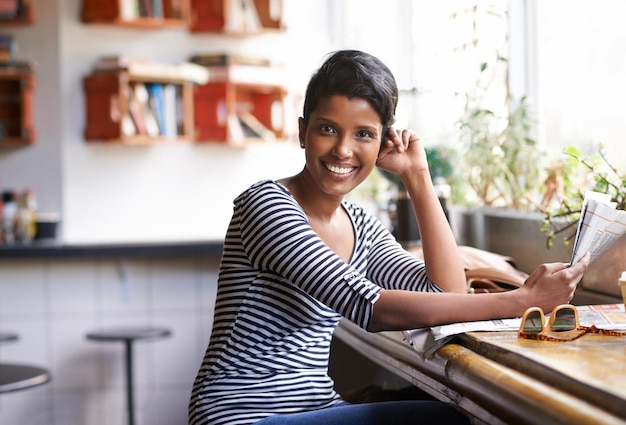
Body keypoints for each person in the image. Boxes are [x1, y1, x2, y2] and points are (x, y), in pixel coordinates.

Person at [188, 49, 589, 425]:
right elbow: (370, 308)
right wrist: (522, 300)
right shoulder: (266, 206)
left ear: (383, 142)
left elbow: (446, 292)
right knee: (444, 419)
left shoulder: (359, 223)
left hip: (311, 407)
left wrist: (418, 177)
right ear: (302, 132)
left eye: (363, 134)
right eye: (327, 129)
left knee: (444, 410)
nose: (343, 150)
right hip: (241, 414)